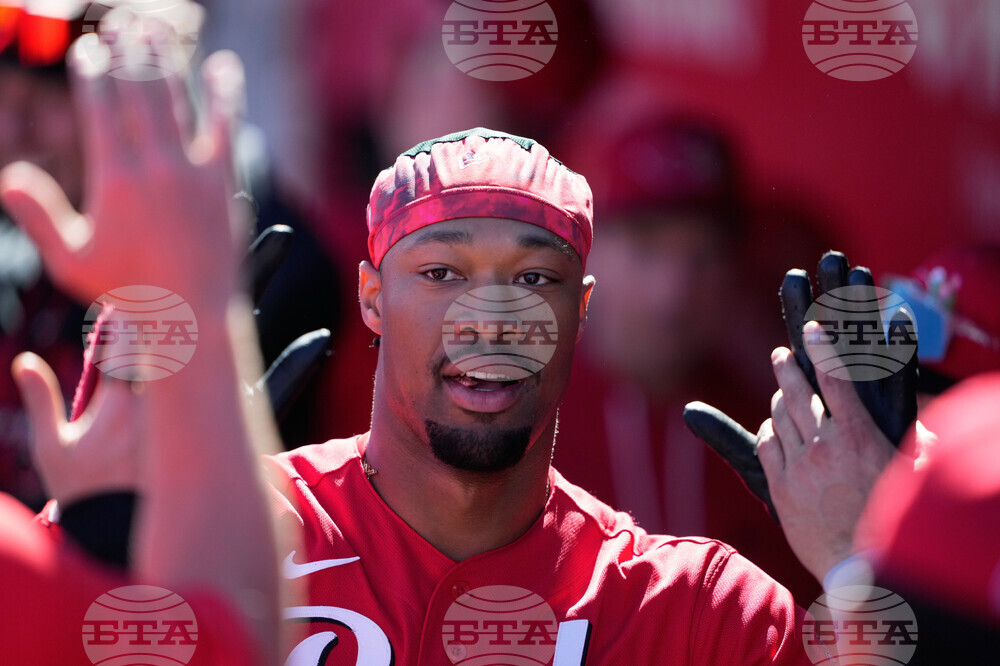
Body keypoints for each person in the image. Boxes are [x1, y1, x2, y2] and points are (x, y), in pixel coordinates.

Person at [6, 18, 898, 665]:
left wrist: (870, 560)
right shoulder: (236, 535)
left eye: (535, 277)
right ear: (369, 298)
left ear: (581, 309)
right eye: (440, 273)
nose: (492, 315)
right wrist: (153, 517)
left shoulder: (703, 610)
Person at [0, 24, 287, 664]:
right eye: (2, 99)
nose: (15, 130)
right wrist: (95, 524)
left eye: (46, 101)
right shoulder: (14, 280)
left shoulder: (278, 259)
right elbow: (226, 636)